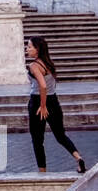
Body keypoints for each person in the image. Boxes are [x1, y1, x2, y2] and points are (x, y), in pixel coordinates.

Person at [26, 36, 86, 174]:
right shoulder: (49, 63)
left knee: (37, 139)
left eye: (29, 46)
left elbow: (42, 85)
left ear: (37, 49)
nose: (27, 49)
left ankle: (42, 171)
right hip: (54, 101)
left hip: (38, 103)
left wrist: (42, 105)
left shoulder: (34, 65)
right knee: (60, 135)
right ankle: (78, 158)